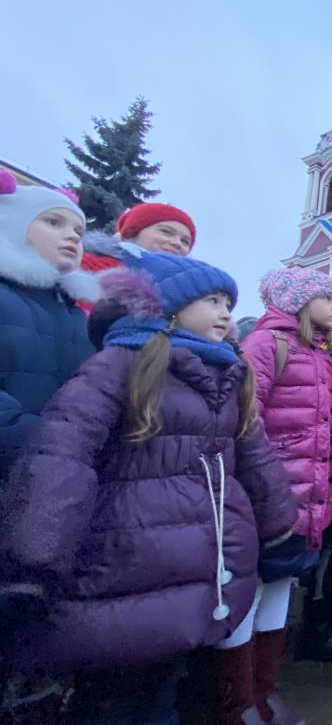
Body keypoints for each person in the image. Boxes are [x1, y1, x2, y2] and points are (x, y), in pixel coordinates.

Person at [0, 253, 297, 724]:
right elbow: (61, 455)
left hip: (205, 561)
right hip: (125, 563)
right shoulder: (120, 365)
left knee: (171, 685)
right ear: (168, 307)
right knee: (122, 697)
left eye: (229, 304)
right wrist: (33, 559)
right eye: (213, 301)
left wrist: (282, 529)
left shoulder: (227, 375)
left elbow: (255, 456)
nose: (225, 314)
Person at [230, 266, 332, 722]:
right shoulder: (265, 345)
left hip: (305, 498)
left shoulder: (319, 355)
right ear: (298, 301)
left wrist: (330, 478)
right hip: (266, 496)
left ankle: (264, 693)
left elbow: (324, 428)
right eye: (327, 298)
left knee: (279, 588)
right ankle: (236, 703)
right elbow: (244, 422)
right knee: (249, 595)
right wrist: (264, 488)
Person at [0, 173, 97, 475]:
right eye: (53, 222)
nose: (73, 236)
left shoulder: (74, 314)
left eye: (79, 231)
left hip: (52, 471)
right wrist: (37, 440)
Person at [80, 201, 196, 271]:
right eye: (166, 232)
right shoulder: (87, 267)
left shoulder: (190, 291)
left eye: (185, 241)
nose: (177, 243)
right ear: (133, 232)